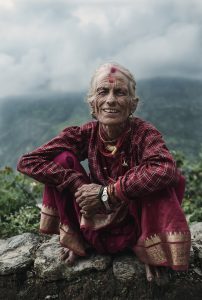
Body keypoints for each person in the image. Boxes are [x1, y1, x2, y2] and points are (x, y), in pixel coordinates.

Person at [17, 62, 191, 283]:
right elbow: (29, 161)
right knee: (61, 159)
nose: (110, 100)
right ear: (93, 103)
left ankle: (151, 249)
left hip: (134, 229)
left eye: (120, 92)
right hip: (92, 225)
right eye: (103, 92)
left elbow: (165, 169)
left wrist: (107, 193)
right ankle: (75, 238)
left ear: (132, 105)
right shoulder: (85, 134)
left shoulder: (143, 134)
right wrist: (75, 183)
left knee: (162, 177)